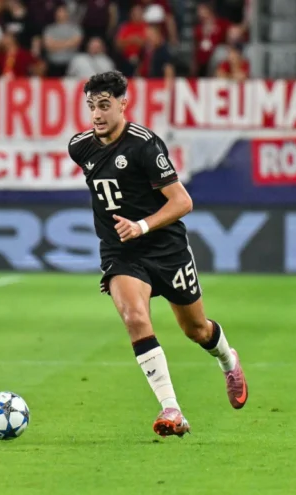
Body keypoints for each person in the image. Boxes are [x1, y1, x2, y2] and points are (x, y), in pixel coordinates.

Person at [66, 71, 248, 438]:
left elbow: (183, 201)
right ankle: (172, 409)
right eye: (91, 106)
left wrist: (143, 226)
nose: (97, 114)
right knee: (134, 317)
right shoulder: (80, 147)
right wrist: (127, 234)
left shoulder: (145, 146)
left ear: (123, 104)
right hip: (121, 251)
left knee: (196, 329)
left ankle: (229, 361)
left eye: (104, 105)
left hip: (165, 247)